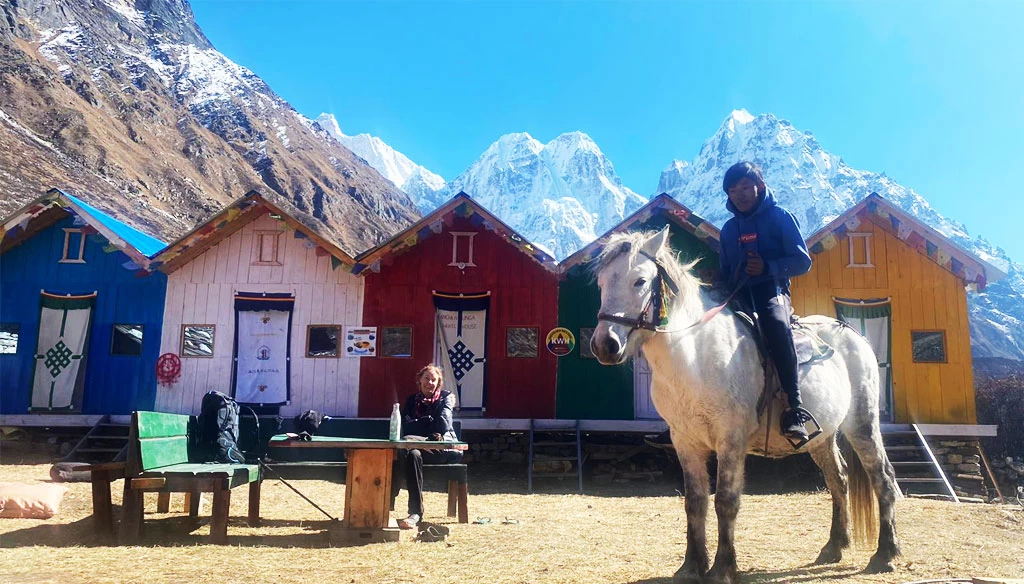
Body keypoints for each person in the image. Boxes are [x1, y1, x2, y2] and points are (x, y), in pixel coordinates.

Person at [714, 161, 814, 443]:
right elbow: (725, 271)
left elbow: (802, 262)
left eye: (745, 187)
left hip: (772, 290)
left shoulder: (780, 217)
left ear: (760, 187)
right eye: (733, 190)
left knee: (775, 325)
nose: (740, 194)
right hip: (738, 294)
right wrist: (717, 280)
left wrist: (767, 268)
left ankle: (795, 408)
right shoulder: (729, 230)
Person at [392, 364, 462, 529]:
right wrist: (428, 423)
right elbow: (406, 427)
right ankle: (416, 513)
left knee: (405, 448)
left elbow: (442, 426)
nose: (430, 383)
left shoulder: (446, 398)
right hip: (416, 448)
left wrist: (420, 425)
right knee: (412, 454)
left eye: (433, 380)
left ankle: (389, 498)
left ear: (438, 383)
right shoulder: (412, 400)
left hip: (442, 448)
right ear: (419, 380)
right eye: (426, 379)